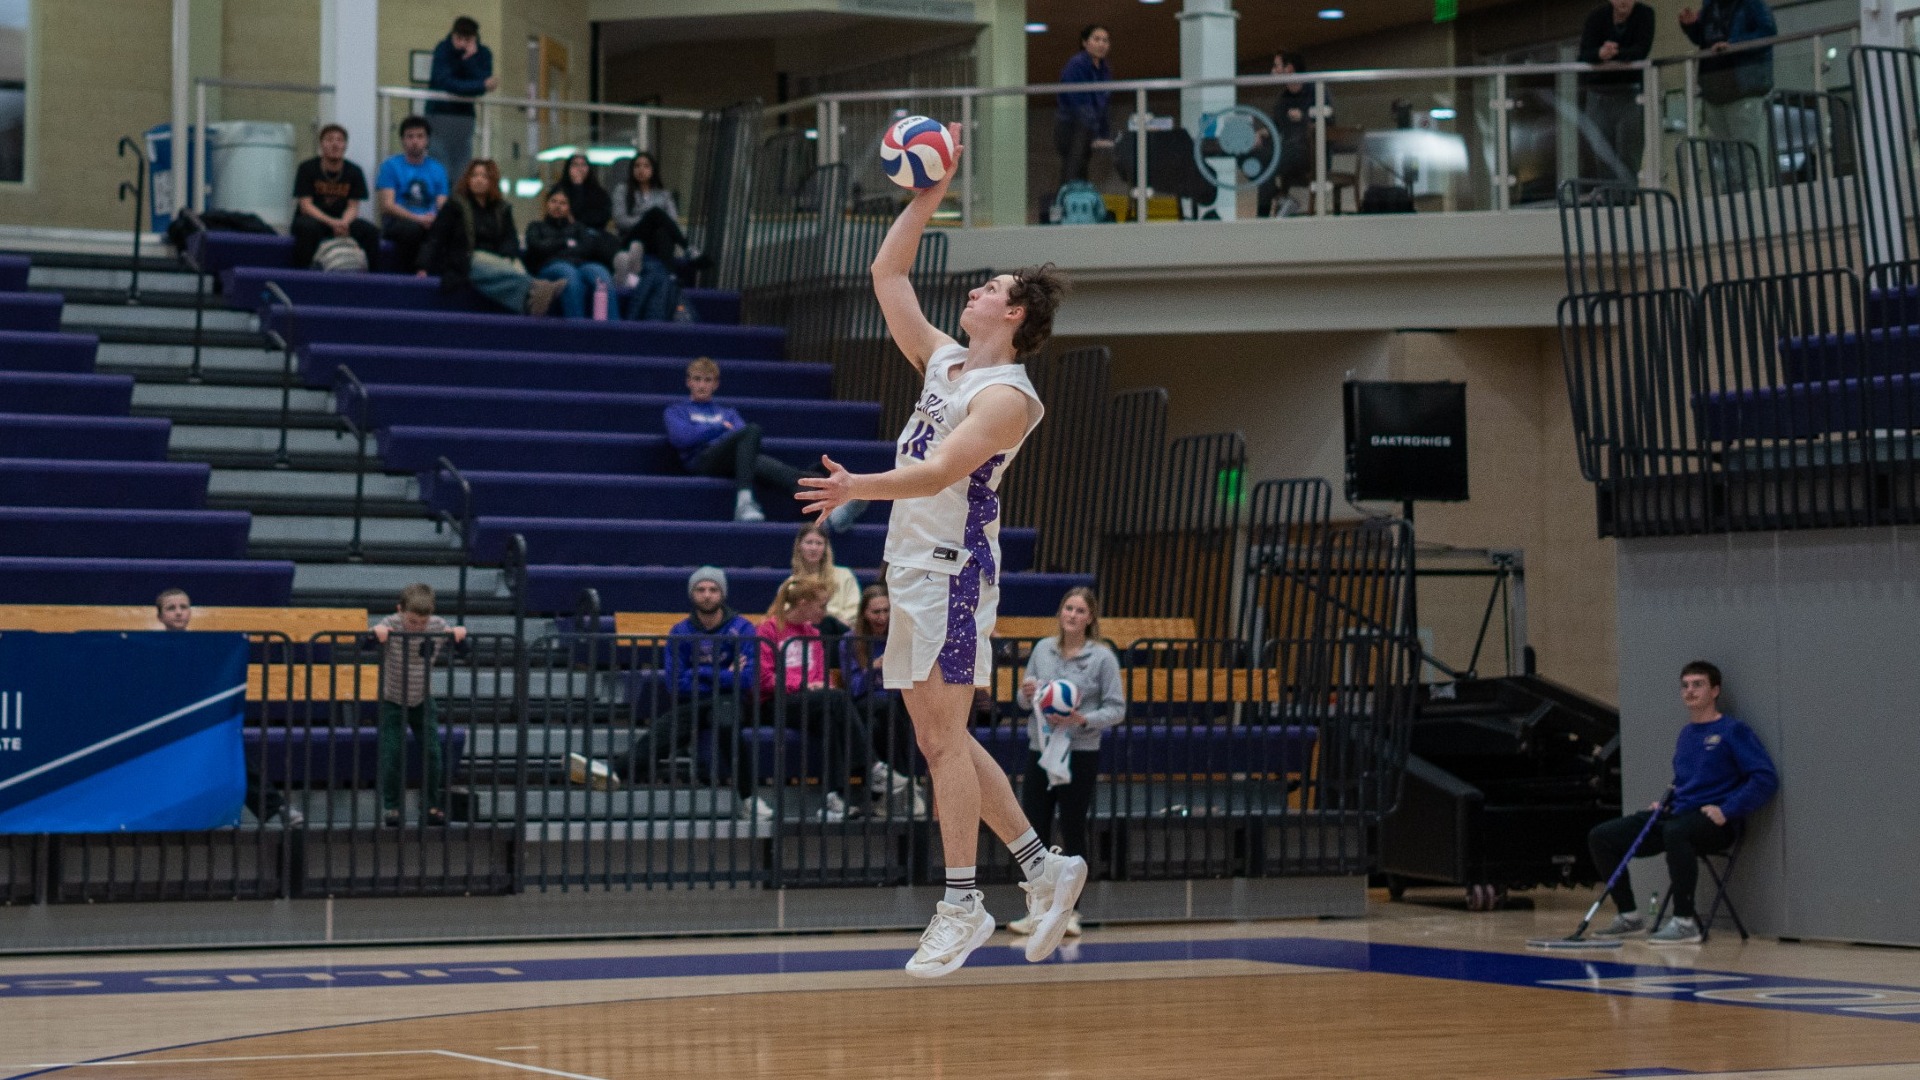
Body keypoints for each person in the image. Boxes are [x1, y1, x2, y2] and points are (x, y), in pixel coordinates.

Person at [797, 127, 1083, 977]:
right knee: (941, 739)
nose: (976, 289)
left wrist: (858, 488)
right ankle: (1043, 866)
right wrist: (925, 196)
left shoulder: (1008, 397)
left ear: (1017, 314)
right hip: (916, 568)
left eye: (991, 286)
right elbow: (888, 277)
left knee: (941, 743)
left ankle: (963, 901)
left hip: (954, 576)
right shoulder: (947, 363)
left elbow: (938, 475)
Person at [1588, 660, 1778, 944]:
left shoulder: (1732, 731)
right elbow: (1685, 781)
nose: (1690, 691)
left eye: (1698, 685)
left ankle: (1685, 921)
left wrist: (1727, 810)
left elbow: (1765, 778)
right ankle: (1628, 915)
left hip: (1714, 823)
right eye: (1685, 686)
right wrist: (1665, 803)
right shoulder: (1686, 734)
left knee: (1676, 832)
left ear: (1715, 691)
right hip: (1678, 816)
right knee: (1602, 837)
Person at [580, 567, 773, 820]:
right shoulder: (680, 632)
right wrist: (722, 675)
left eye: (713, 590)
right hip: (695, 701)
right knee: (665, 729)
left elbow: (745, 679)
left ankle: (748, 799)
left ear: (722, 594)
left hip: (729, 701)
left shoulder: (743, 628)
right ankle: (613, 772)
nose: (707, 595)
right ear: (692, 595)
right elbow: (676, 684)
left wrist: (699, 672)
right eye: (700, 590)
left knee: (727, 724)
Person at [1008, 588, 1125, 939]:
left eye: (1079, 610)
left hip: (1079, 752)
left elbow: (1117, 709)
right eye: (1068, 608)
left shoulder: (1102, 657)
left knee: (1073, 829)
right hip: (1041, 749)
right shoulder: (1043, 649)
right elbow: (1022, 700)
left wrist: (1081, 719)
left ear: (1090, 618)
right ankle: (1037, 911)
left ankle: (1070, 911)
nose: (1072, 615)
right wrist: (1027, 694)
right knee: (1035, 830)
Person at [154, 589, 303, 829]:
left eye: (184, 607)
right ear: (160, 616)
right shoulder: (150, 648)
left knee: (231, 748)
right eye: (171, 608)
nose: (179, 612)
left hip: (199, 723)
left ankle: (275, 807)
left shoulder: (205, 647)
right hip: (162, 726)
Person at [664, 357, 857, 530]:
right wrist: (720, 429)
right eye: (697, 379)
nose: (702, 385)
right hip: (701, 460)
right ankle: (745, 499)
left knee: (757, 460)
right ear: (688, 382)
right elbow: (682, 439)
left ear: (716, 384)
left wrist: (712, 432)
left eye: (707, 380)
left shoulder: (727, 412)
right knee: (752, 432)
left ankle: (832, 508)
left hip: (732, 461)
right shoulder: (677, 411)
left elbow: (742, 437)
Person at [756, 577, 874, 823]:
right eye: (821, 606)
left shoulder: (813, 633)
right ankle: (871, 765)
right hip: (777, 702)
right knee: (835, 701)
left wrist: (820, 687)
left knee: (830, 717)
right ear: (803, 604)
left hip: (813, 701)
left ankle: (833, 796)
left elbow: (820, 675)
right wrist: (803, 685)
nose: (825, 612)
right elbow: (764, 679)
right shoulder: (768, 629)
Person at [369, 583, 468, 828]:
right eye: (412, 622)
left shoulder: (436, 625)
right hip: (392, 700)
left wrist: (459, 637)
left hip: (422, 699)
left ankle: (432, 807)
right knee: (392, 754)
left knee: (433, 754)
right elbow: (366, 645)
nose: (417, 627)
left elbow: (466, 652)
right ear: (400, 610)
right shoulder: (391, 622)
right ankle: (391, 808)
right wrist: (376, 634)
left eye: (422, 623)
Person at [420, 159, 563, 315]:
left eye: (484, 176)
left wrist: (509, 255)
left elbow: (510, 238)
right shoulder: (454, 205)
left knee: (516, 264)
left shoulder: (501, 208)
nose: (479, 180)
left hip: (498, 258)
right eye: (474, 175)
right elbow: (436, 236)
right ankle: (537, 287)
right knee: (482, 259)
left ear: (491, 181)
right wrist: (423, 265)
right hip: (465, 258)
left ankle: (533, 303)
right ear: (468, 179)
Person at [842, 584, 922, 818]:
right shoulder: (850, 640)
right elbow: (854, 688)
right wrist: (873, 669)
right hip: (865, 702)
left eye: (887, 611)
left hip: (895, 704)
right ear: (864, 613)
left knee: (883, 722)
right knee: (886, 710)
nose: (882, 617)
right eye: (876, 612)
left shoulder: (900, 637)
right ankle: (909, 786)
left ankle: (886, 792)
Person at [1680, 0, 1777, 178]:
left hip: (1744, 89)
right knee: (1722, 161)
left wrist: (1734, 44)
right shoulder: (1709, 6)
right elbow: (1703, 39)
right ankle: (1729, 202)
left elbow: (1768, 33)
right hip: (1714, 91)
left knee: (1746, 158)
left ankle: (1754, 202)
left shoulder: (1751, 3)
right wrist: (1691, 26)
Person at [1579, 0, 1657, 185]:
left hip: (1630, 93)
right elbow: (1584, 55)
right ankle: (1609, 199)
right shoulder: (1596, 17)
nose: (1623, 2)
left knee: (1628, 151)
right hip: (1599, 94)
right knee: (1602, 151)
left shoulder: (1644, 14)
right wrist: (1600, 54)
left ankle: (1627, 198)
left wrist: (1613, 55)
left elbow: (1640, 51)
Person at [290, 124, 379, 271]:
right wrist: (332, 223)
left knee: (370, 231)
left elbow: (353, 206)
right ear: (321, 144)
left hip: (342, 221)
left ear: (345, 145)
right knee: (307, 228)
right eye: (329, 139)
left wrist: (343, 223)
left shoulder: (354, 171)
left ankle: (372, 280)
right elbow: (306, 206)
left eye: (339, 140)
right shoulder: (306, 168)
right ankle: (303, 276)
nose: (335, 144)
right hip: (315, 220)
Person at [523, 187, 621, 321]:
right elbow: (537, 247)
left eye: (563, 203)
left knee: (600, 273)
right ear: (547, 204)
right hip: (548, 267)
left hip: (580, 265)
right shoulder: (536, 226)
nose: (557, 206)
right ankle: (578, 331)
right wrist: (565, 243)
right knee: (568, 273)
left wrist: (554, 246)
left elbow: (587, 248)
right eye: (553, 201)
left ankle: (612, 331)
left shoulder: (578, 227)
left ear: (569, 207)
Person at [610, 152, 705, 289]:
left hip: (656, 242)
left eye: (646, 166)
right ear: (632, 170)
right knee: (655, 213)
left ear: (653, 170)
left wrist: (653, 221)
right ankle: (687, 247)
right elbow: (620, 220)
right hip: (631, 240)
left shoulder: (664, 195)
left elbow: (672, 221)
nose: (641, 170)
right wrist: (648, 220)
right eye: (637, 166)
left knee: (662, 231)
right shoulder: (622, 190)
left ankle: (670, 275)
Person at [375, 115, 450, 272]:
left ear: (427, 140)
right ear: (402, 140)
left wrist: (434, 219)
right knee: (413, 230)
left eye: (420, 136)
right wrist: (418, 218)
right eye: (410, 136)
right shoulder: (390, 166)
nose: (415, 141)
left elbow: (442, 204)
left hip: (430, 221)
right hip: (398, 222)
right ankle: (411, 278)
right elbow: (387, 206)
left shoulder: (438, 169)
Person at [425, 15, 497, 177]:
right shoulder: (443, 49)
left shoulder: (482, 53)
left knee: (462, 174)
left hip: (463, 123)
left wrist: (469, 59)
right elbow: (446, 83)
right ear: (453, 35)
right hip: (438, 119)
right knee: (440, 170)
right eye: (459, 38)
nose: (462, 44)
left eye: (467, 39)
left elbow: (480, 84)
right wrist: (480, 85)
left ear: (475, 38)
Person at [1257, 51, 1323, 218]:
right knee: (1259, 156)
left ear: (1289, 69)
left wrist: (1305, 117)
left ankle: (1266, 212)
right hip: (1287, 150)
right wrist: (1259, 133)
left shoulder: (1316, 90)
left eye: (1276, 66)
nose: (1273, 71)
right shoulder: (1283, 98)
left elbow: (1328, 121)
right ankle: (1278, 199)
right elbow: (1276, 125)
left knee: (1266, 162)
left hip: (1309, 153)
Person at [1055, 25, 1114, 192]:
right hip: (1071, 126)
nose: (1102, 44)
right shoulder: (1076, 65)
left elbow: (1103, 105)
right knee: (1072, 170)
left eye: (1105, 40)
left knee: (1082, 170)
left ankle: (1081, 210)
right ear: (1085, 43)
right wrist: (1096, 134)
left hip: (1088, 127)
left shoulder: (1105, 69)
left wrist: (1103, 134)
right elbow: (1080, 103)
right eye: (1096, 39)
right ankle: (1067, 208)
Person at [785, 523, 861, 628]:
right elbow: (787, 614)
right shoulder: (791, 583)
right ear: (799, 546)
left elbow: (854, 610)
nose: (813, 548)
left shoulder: (845, 575)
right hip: (805, 632)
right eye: (809, 542)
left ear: (825, 548)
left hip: (839, 631)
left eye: (819, 543)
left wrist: (835, 621)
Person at [555, 152, 614, 234]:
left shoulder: (598, 192)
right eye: (575, 165)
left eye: (583, 165)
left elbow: (603, 216)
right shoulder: (559, 190)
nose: (579, 169)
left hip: (592, 233)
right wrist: (577, 187)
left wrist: (578, 220)